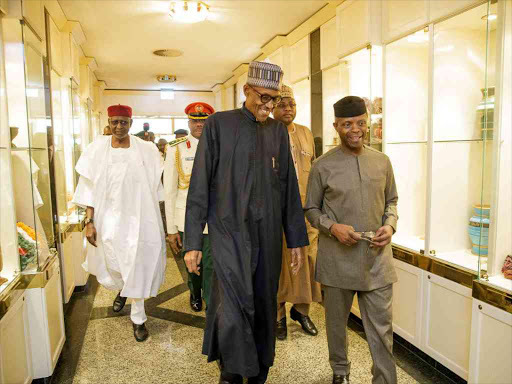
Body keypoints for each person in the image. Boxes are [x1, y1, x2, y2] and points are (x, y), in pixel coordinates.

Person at [183, 61, 308, 384]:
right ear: (246, 90)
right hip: (228, 232)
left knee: (265, 301)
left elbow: (289, 188)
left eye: (274, 100)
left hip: (267, 236)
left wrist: (295, 240)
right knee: (232, 303)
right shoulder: (218, 125)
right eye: (263, 98)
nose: (268, 106)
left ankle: (260, 370)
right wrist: (193, 243)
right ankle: (232, 371)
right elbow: (199, 186)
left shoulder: (277, 132)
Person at [304, 96, 399, 384]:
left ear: (367, 123)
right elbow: (311, 209)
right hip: (336, 261)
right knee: (336, 325)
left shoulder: (382, 161)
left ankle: (384, 379)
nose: (355, 130)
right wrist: (333, 228)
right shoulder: (322, 165)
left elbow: (392, 200)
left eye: (360, 123)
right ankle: (341, 372)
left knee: (382, 329)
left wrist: (390, 225)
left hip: (377, 259)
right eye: (347, 124)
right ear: (336, 126)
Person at [73, 104, 166, 342]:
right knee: (114, 262)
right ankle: (124, 291)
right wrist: (90, 222)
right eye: (114, 122)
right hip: (108, 220)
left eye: (123, 122)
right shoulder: (97, 150)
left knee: (137, 263)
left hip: (140, 220)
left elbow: (155, 188)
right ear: (108, 121)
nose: (118, 127)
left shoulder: (146, 150)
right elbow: (89, 189)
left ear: (131, 124)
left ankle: (139, 318)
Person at [272, 84, 321, 340]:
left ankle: (301, 311)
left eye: (291, 104)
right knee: (280, 264)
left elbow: (312, 169)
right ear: (272, 108)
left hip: (305, 210)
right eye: (281, 105)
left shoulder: (305, 132)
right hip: (277, 212)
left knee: (309, 259)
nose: (287, 109)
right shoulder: (266, 132)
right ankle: (278, 313)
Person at [164, 102, 215, 312]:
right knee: (193, 264)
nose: (199, 125)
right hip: (187, 219)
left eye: (203, 121)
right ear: (189, 122)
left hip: (214, 219)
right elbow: (169, 191)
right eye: (195, 121)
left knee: (212, 265)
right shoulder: (175, 148)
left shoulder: (220, 145)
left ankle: (212, 301)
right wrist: (171, 230)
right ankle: (195, 292)